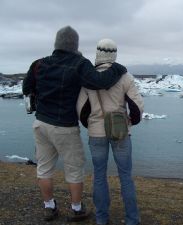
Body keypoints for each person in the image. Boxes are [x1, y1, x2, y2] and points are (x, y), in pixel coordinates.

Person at [22, 26, 127, 222]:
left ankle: (49, 207)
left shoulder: (39, 64)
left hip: (41, 123)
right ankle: (77, 209)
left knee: (44, 168)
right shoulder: (80, 64)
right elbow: (100, 81)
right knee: (74, 168)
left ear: (56, 43)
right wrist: (118, 68)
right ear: (75, 44)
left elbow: (26, 87)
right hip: (64, 127)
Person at [77, 38, 144, 225]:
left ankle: (101, 218)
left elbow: (81, 109)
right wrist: (132, 121)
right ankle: (132, 220)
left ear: (97, 53)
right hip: (120, 131)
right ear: (114, 54)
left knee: (99, 176)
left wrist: (91, 124)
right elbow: (137, 106)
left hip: (96, 132)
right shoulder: (124, 76)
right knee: (125, 176)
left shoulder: (88, 77)